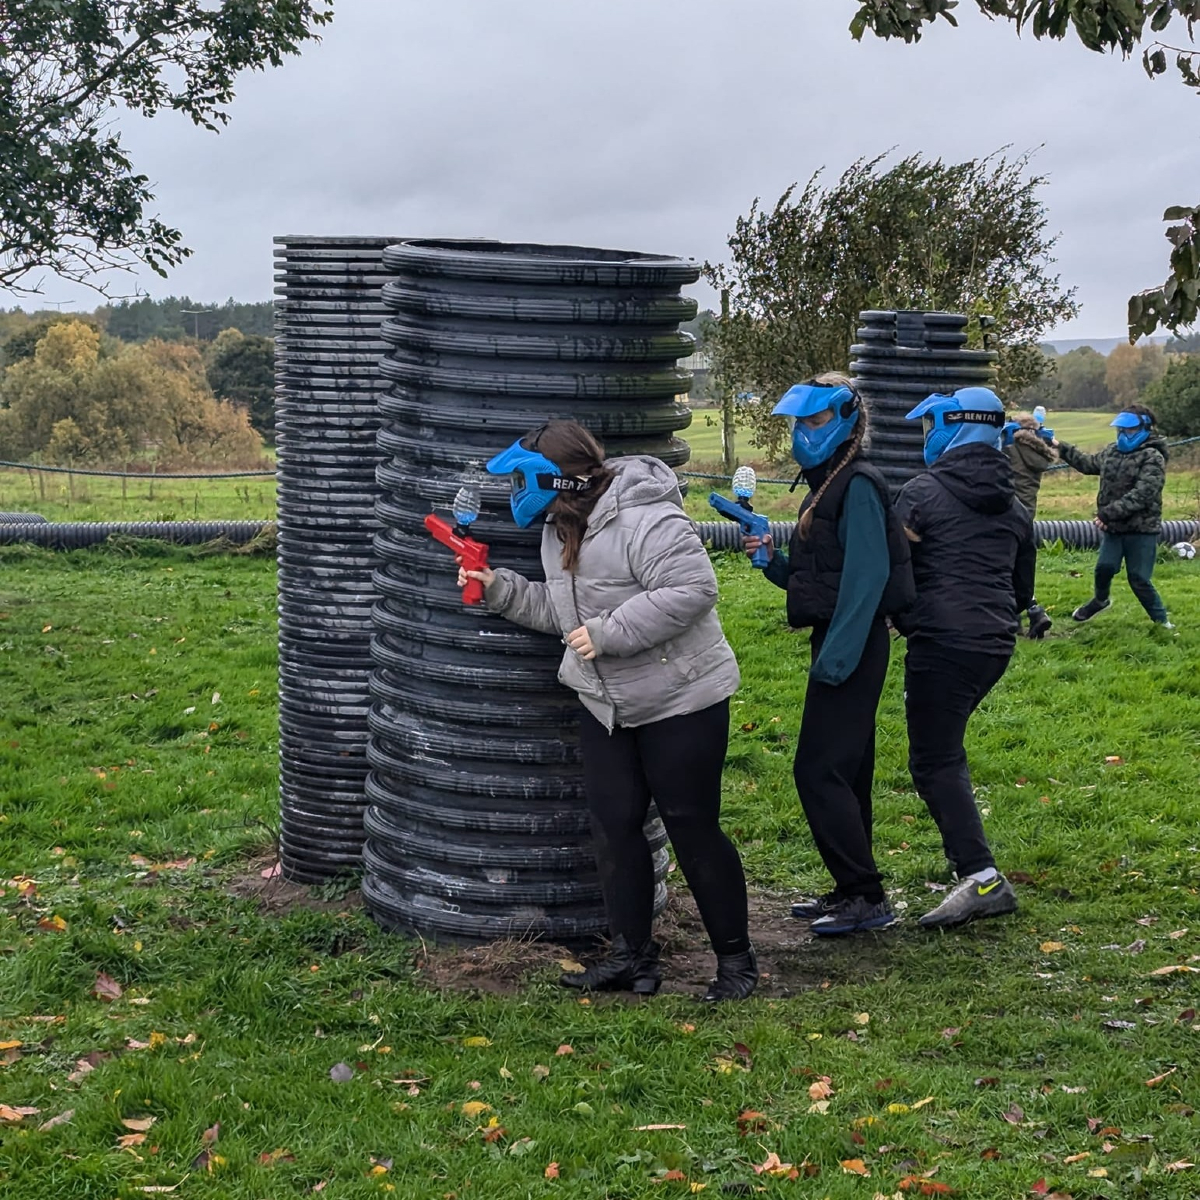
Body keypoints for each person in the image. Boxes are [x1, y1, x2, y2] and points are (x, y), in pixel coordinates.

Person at [457, 420, 757, 1002]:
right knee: (614, 828)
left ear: (555, 478)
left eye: (522, 478)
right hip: (606, 702)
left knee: (692, 827)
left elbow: (693, 589)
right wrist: (497, 588)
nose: (516, 489)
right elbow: (562, 609)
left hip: (681, 698)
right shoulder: (558, 526)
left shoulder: (645, 515)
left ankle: (736, 964)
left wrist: (609, 632)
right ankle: (633, 961)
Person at [742, 374, 916, 936]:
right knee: (847, 771)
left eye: (813, 421)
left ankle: (865, 896)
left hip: (854, 644)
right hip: (840, 637)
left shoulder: (858, 484)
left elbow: (867, 578)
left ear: (843, 421)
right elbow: (820, 582)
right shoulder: (827, 485)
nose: (802, 432)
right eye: (799, 422)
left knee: (816, 771)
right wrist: (770, 558)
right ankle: (852, 891)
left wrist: (837, 658)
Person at [897, 387, 1036, 928]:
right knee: (944, 752)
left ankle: (981, 878)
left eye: (930, 427)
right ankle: (974, 869)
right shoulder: (1016, 504)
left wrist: (906, 618)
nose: (926, 438)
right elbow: (1022, 591)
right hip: (994, 645)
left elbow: (893, 571)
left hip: (942, 644)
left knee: (934, 760)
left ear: (952, 428)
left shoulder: (921, 493)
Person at [1054, 405, 1172, 628]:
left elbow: (1144, 493)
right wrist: (1061, 447)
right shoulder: (1112, 451)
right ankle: (1100, 601)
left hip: (1142, 529)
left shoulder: (1153, 457)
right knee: (1104, 568)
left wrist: (1107, 514)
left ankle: (1162, 622)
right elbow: (1088, 464)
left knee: (1139, 579)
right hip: (1114, 528)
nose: (1123, 434)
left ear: (1146, 428)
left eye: (1129, 430)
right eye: (1120, 429)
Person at [1002, 410, 1056, 638]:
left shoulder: (1011, 450)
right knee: (1020, 566)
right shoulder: (1039, 453)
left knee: (1006, 566)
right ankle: (1034, 612)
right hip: (1027, 515)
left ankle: (1015, 620)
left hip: (1007, 511)